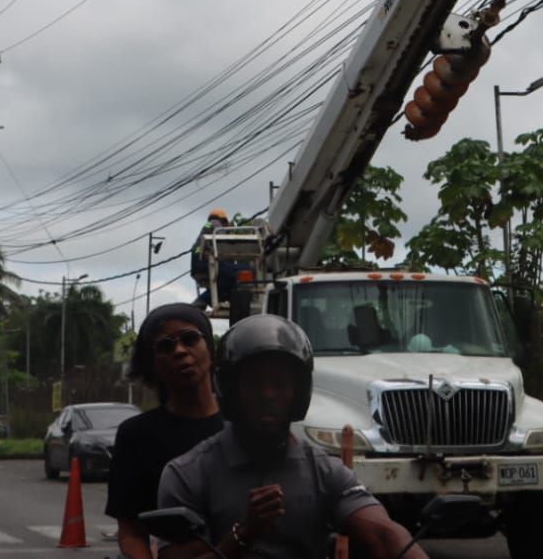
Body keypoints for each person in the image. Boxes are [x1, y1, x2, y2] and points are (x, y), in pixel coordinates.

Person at [158, 315, 428, 559]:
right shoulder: (187, 474)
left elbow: (385, 536)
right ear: (230, 390)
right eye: (254, 383)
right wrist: (243, 535)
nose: (268, 395)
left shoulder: (324, 471)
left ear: (299, 394)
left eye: (280, 384)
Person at [106, 304, 226, 559]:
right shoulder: (136, 436)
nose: (180, 351)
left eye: (190, 339)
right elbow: (130, 532)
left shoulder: (243, 422)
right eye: (165, 346)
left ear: (211, 351)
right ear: (152, 367)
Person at [191, 208, 240, 309]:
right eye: (226, 224)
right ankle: (205, 299)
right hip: (206, 262)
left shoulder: (207, 228)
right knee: (235, 272)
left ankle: (202, 300)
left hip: (198, 264)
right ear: (223, 220)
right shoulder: (215, 223)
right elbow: (221, 239)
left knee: (223, 279)